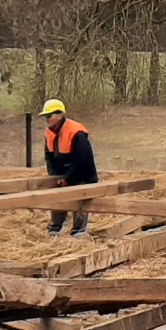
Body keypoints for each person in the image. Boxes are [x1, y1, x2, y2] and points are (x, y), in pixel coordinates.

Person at [39, 99, 97, 236]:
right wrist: (54, 177)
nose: (47, 119)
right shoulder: (49, 133)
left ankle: (78, 233)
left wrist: (68, 179)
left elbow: (81, 160)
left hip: (83, 176)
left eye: (49, 116)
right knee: (58, 200)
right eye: (45, 116)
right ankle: (55, 230)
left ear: (59, 115)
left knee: (80, 204)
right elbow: (49, 158)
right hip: (62, 175)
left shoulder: (77, 131)